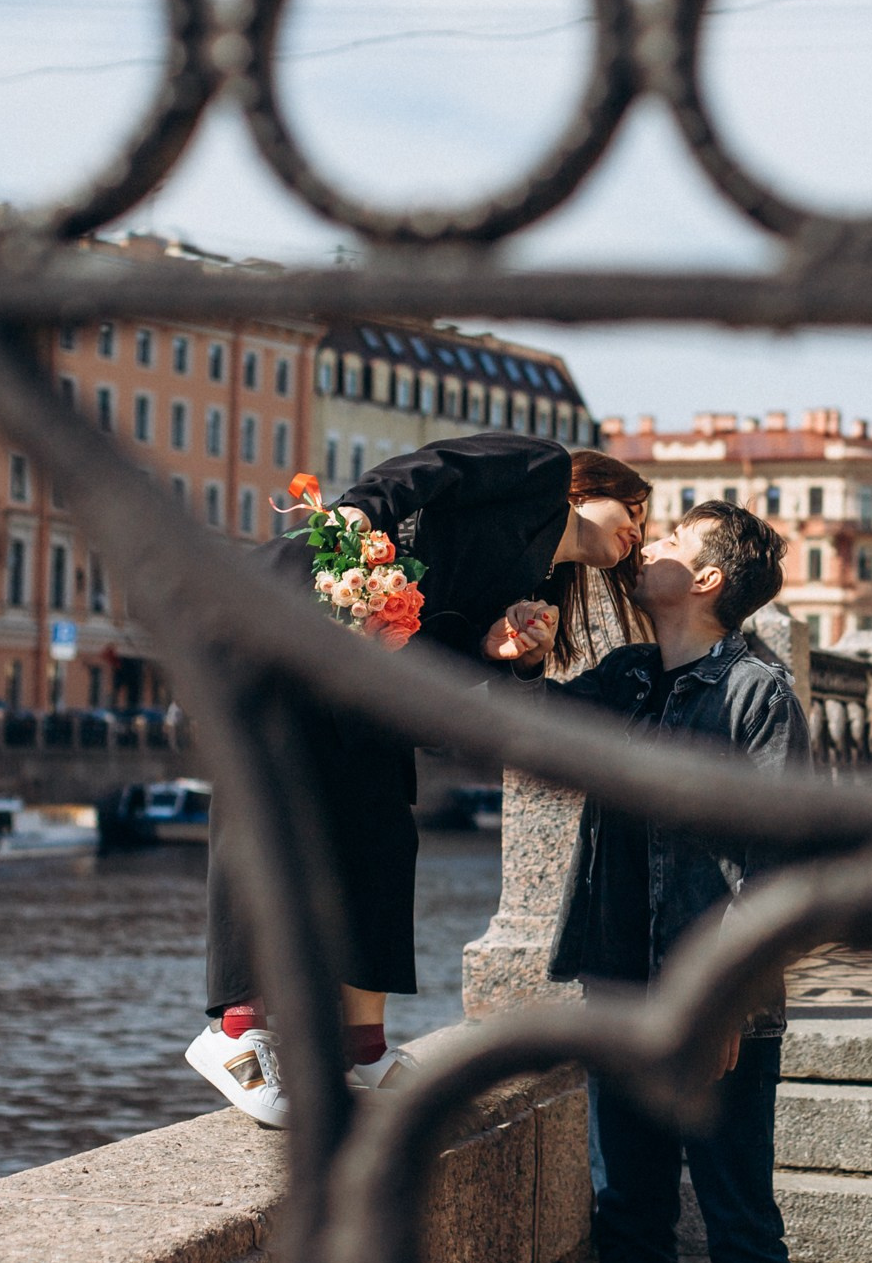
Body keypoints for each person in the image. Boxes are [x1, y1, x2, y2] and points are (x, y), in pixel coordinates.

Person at [186, 433, 648, 1123]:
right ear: (588, 490)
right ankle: (235, 1032)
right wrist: (359, 512)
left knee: (383, 831)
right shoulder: (542, 472)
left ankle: (360, 1046)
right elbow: (435, 467)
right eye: (635, 510)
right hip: (293, 611)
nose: (639, 534)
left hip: (361, 682)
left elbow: (444, 684)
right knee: (270, 804)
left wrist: (502, 654)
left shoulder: (530, 587)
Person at [529, 500, 804, 1263]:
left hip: (717, 1007)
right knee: (626, 1218)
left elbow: (781, 866)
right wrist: (516, 658)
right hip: (619, 992)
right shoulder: (626, 678)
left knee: (740, 1227)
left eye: (673, 540)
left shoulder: (759, 694)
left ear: (710, 578)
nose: (650, 546)